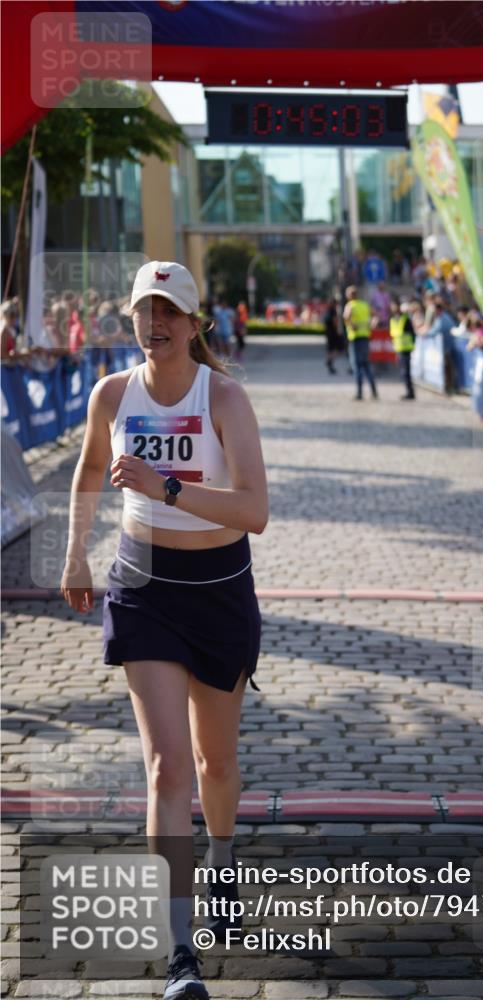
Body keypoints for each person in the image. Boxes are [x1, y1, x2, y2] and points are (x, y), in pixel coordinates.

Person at [59, 261, 269, 1000]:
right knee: (165, 769)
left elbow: (254, 511)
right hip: (142, 588)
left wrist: (168, 485)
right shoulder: (112, 393)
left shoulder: (226, 398)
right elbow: (88, 471)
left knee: (214, 767)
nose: (155, 326)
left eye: (169, 313)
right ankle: (181, 951)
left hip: (217, 593)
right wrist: (76, 551)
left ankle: (222, 861)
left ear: (193, 321)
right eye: (145, 312)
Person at [343, 284, 378, 400]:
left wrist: (351, 325)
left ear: (349, 295)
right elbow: (375, 316)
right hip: (365, 337)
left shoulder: (350, 305)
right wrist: (372, 325)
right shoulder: (364, 305)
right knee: (366, 364)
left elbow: (346, 317)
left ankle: (359, 393)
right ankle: (374, 391)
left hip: (355, 338)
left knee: (356, 366)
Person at [389, 297, 416, 400]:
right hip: (399, 349)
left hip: (406, 349)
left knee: (406, 372)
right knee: (403, 372)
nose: (392, 307)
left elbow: (412, 334)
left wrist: (412, 345)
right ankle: (408, 391)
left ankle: (410, 392)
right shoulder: (393, 319)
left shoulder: (405, 319)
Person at [323, 294, 343, 374]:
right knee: (340, 349)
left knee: (330, 349)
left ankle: (329, 362)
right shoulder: (333, 311)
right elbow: (335, 322)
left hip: (328, 333)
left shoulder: (328, 311)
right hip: (333, 333)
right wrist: (339, 331)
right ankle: (329, 361)